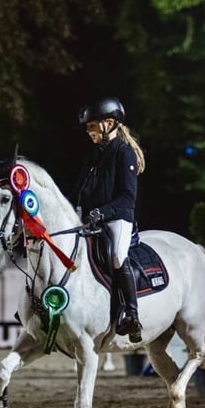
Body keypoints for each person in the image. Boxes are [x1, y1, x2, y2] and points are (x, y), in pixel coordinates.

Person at [68, 96, 146, 343]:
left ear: (108, 124)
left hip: (117, 219)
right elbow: (78, 190)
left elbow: (127, 197)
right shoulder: (93, 156)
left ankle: (132, 315)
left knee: (116, 256)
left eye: (92, 127)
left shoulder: (124, 154)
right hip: (91, 220)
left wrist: (102, 212)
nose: (88, 132)